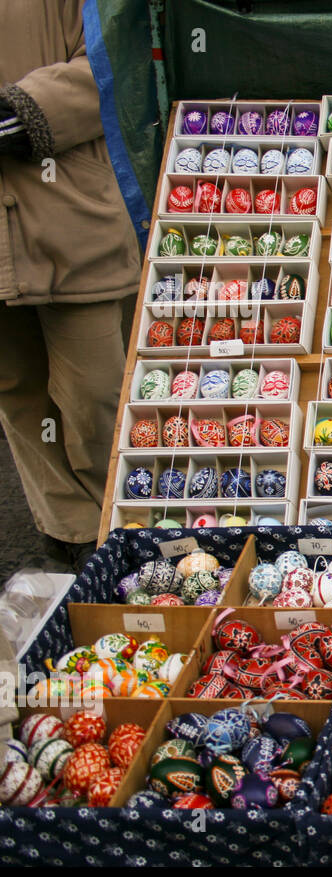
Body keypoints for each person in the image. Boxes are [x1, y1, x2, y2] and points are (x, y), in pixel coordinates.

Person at [0, 1, 141, 570]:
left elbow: (113, 58)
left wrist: (26, 109)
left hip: (70, 215)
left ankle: (121, 519)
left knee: (96, 392)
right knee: (16, 388)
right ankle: (72, 530)